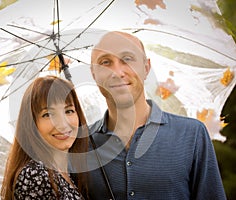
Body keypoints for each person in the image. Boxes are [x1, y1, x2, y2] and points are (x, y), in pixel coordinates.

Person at [85, 31, 226, 199]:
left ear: (146, 68)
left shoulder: (191, 134)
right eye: (105, 62)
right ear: (94, 74)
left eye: (127, 59)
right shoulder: (80, 145)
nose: (117, 72)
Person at [1, 75, 88, 199]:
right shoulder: (35, 175)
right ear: (31, 123)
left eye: (69, 111)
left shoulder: (67, 172)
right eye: (48, 114)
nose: (63, 124)